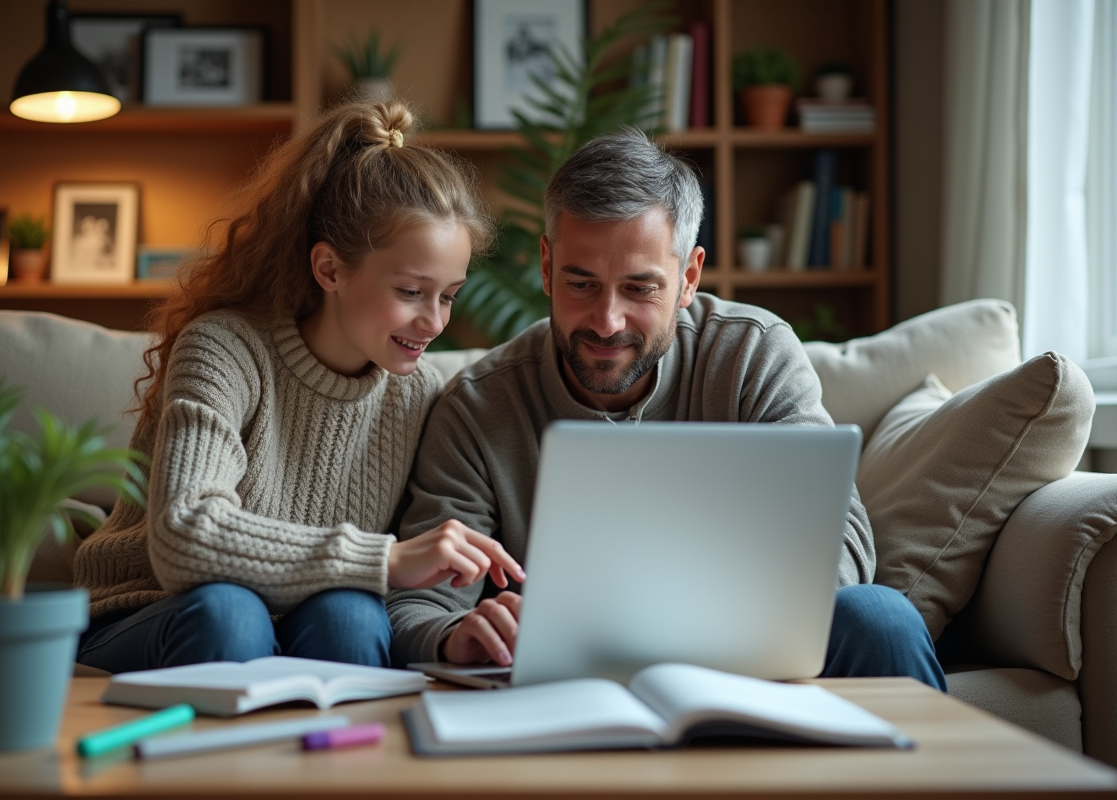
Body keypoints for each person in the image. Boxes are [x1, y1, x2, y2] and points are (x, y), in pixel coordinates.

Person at [386, 127, 946, 690]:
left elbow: (842, 538)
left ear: (689, 278)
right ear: (547, 266)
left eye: (639, 289)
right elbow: (416, 606)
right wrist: (457, 632)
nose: (607, 321)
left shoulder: (753, 354)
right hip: (562, 688)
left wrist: (705, 619)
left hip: (744, 652)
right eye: (582, 283)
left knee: (881, 620)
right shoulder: (478, 405)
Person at [73, 100, 523, 674]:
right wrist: (383, 558)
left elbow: (411, 586)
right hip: (149, 610)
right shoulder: (224, 349)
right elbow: (183, 536)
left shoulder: (418, 396)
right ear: (330, 269)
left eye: (448, 295)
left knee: (355, 617)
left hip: (298, 619)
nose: (434, 322)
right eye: (411, 292)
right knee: (232, 612)